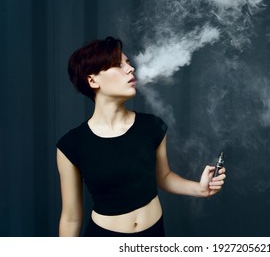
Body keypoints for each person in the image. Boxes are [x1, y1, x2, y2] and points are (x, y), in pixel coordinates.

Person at [56, 36, 226, 237]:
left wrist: (200, 189)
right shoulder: (71, 145)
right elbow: (71, 217)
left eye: (128, 63)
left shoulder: (151, 126)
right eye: (118, 65)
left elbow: (163, 177)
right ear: (92, 80)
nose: (130, 69)